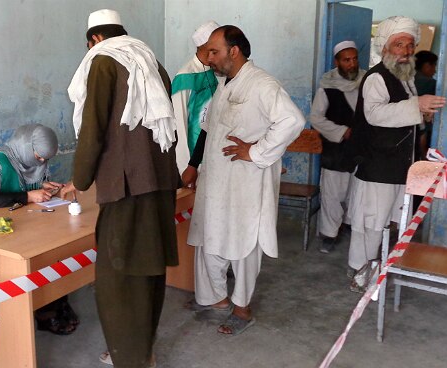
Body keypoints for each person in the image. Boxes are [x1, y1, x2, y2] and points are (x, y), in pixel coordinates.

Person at [64, 9, 179, 368]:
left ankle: (129, 359)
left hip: (127, 188)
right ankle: (143, 351)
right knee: (149, 272)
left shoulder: (103, 61)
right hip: (159, 183)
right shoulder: (151, 61)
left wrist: (79, 181)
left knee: (117, 278)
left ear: (95, 40)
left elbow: (94, 129)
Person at [187, 25, 305, 335]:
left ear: (234, 51)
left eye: (214, 51)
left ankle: (242, 307)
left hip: (245, 182)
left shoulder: (262, 84)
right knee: (210, 238)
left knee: (242, 243)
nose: (209, 58)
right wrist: (196, 167)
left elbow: (292, 120)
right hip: (217, 182)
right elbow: (211, 131)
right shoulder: (226, 83)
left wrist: (256, 152)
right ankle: (216, 299)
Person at [346, 16, 446, 292]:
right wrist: (417, 105)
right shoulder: (376, 76)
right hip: (378, 166)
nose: (405, 51)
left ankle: (379, 269)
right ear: (386, 48)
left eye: (409, 45)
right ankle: (359, 273)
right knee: (370, 224)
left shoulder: (406, 78)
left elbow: (408, 115)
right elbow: (375, 113)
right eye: (398, 44)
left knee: (390, 223)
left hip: (401, 166)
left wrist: (421, 113)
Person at [0, 123, 80, 335]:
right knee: (40, 258)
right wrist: (28, 196)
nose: (41, 162)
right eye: (38, 157)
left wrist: (41, 188)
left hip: (22, 225)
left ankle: (56, 303)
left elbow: (22, 187)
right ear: (24, 145)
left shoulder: (28, 161)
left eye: (44, 159)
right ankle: (45, 312)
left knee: (54, 250)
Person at [309, 40, 365, 254]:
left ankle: (350, 224)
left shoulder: (368, 80)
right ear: (337, 62)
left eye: (354, 59)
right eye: (346, 60)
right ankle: (329, 234)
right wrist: (342, 131)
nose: (352, 64)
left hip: (362, 148)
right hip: (337, 149)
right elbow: (315, 118)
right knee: (332, 195)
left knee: (357, 191)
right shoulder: (327, 86)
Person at [172, 20, 220, 176]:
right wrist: (185, 167)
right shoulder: (185, 77)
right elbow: (179, 123)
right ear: (207, 47)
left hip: (216, 152)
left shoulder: (218, 71)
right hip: (194, 158)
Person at [414, 50, 438, 159]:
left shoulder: (408, 80)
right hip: (422, 129)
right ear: (427, 65)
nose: (434, 71)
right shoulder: (430, 83)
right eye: (434, 66)